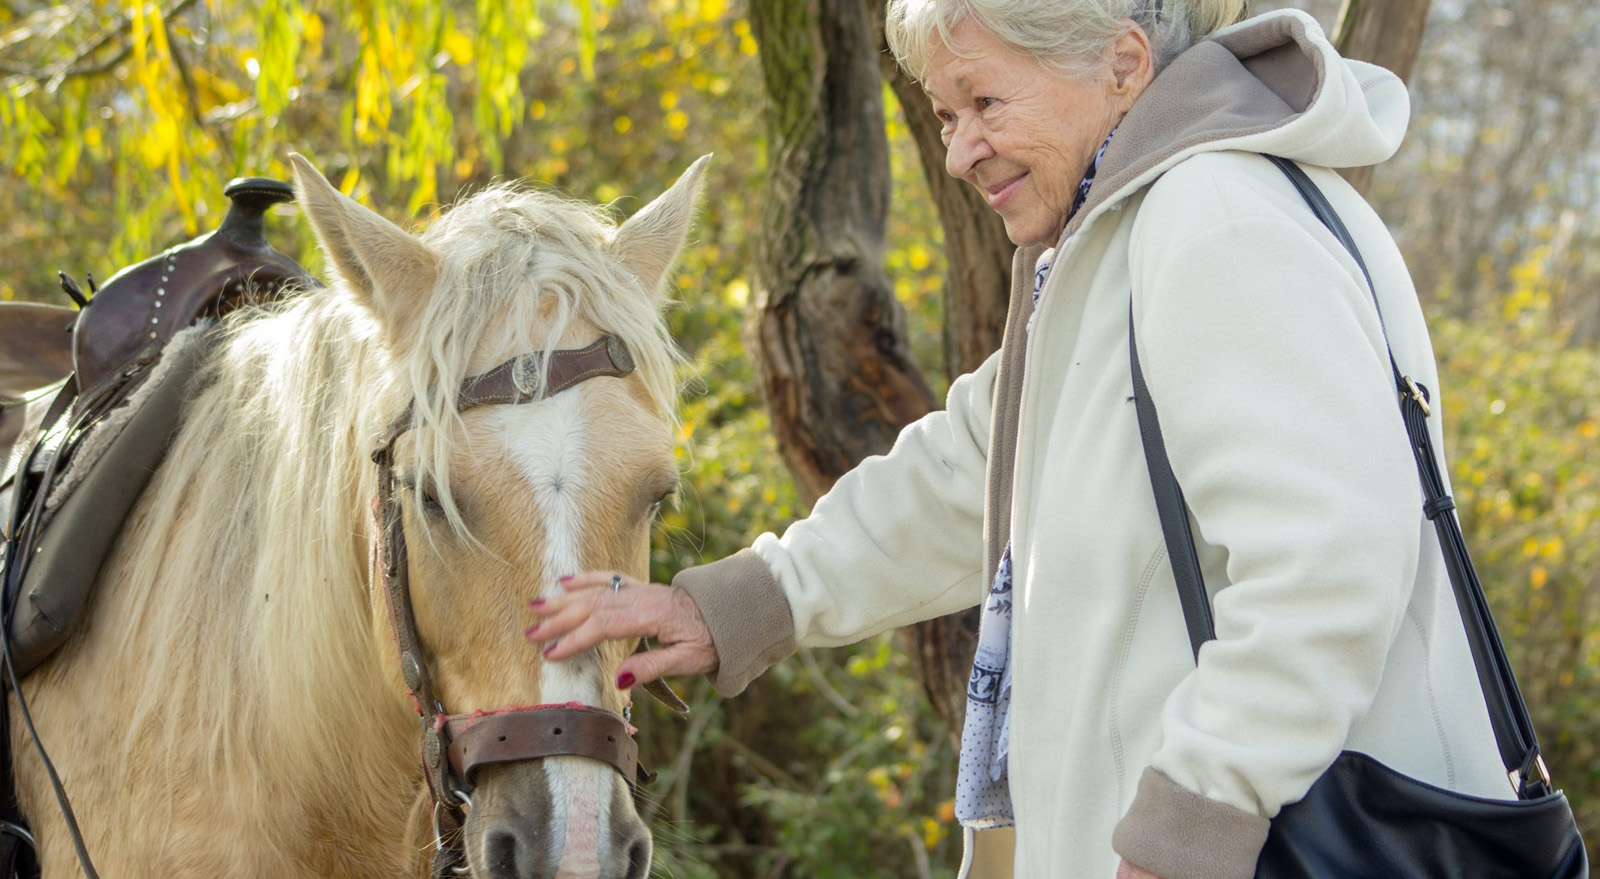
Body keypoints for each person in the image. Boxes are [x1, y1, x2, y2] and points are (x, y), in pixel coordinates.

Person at [528, 2, 1515, 877]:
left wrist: (1191, 826)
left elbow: (1329, 561)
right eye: (946, 118)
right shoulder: (1124, 238)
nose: (957, 152)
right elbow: (973, 472)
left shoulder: (1214, 222)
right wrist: (745, 603)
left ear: (1123, 65)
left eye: (982, 103)